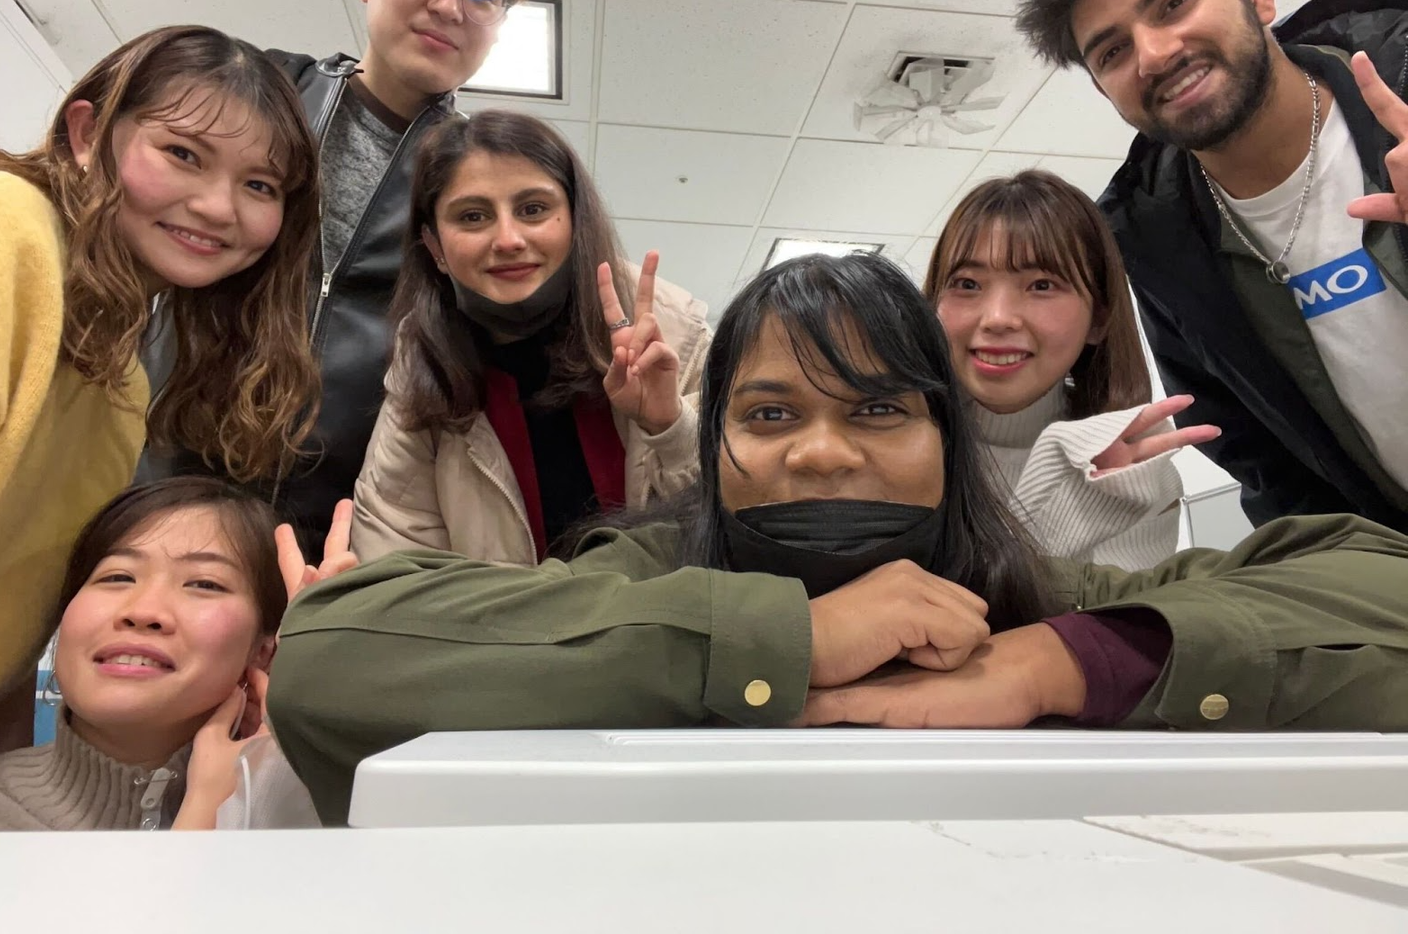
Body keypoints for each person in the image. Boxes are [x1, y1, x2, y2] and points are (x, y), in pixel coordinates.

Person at [268, 253, 1408, 825]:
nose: (820, 453)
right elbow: (331, 652)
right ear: (714, 446)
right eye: (770, 416)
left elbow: (1376, 578)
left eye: (878, 410)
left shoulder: (1034, 592)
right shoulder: (642, 569)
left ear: (949, 444)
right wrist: (789, 642)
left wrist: (1056, 662)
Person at [138, 0, 541, 555]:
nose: (450, 5)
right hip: (159, 492)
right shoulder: (261, 95)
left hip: (338, 545)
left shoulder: (479, 184)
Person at [1015, 0, 1408, 531]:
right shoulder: (1154, 244)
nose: (1153, 54)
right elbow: (1261, 460)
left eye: (1173, 4)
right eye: (1112, 51)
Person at [0, 25, 320, 758]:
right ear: (87, 133)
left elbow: (12, 630)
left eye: (259, 186)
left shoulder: (124, 379)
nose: (219, 207)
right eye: (183, 154)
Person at [352, 110, 712, 563]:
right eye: (473, 216)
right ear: (435, 247)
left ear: (576, 220)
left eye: (533, 209)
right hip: (491, 613)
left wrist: (671, 428)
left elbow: (746, 520)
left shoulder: (677, 335)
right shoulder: (420, 367)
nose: (508, 239)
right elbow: (392, 549)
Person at [0, 478, 356, 831]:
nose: (143, 611)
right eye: (117, 577)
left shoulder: (316, 817)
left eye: (204, 584)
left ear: (264, 651)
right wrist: (203, 815)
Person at [926, 170, 1218, 567]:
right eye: (967, 284)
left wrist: (1075, 503)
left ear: (1099, 319)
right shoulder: (888, 443)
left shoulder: (1128, 472)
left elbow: (1109, 609)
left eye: (1042, 285)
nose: (997, 318)